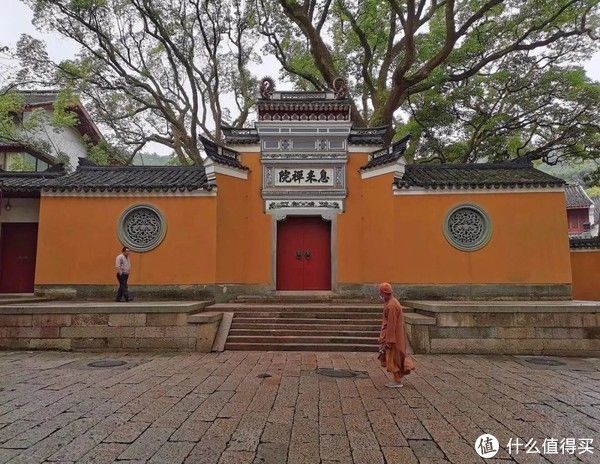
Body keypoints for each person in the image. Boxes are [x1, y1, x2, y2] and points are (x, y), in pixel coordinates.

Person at [377, 282, 415, 388]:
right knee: (396, 357)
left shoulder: (391, 306)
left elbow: (391, 325)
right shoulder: (392, 303)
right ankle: (397, 378)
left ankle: (397, 380)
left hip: (393, 337)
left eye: (380, 293)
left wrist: (388, 341)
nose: (379, 295)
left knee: (393, 359)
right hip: (396, 336)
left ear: (384, 293)